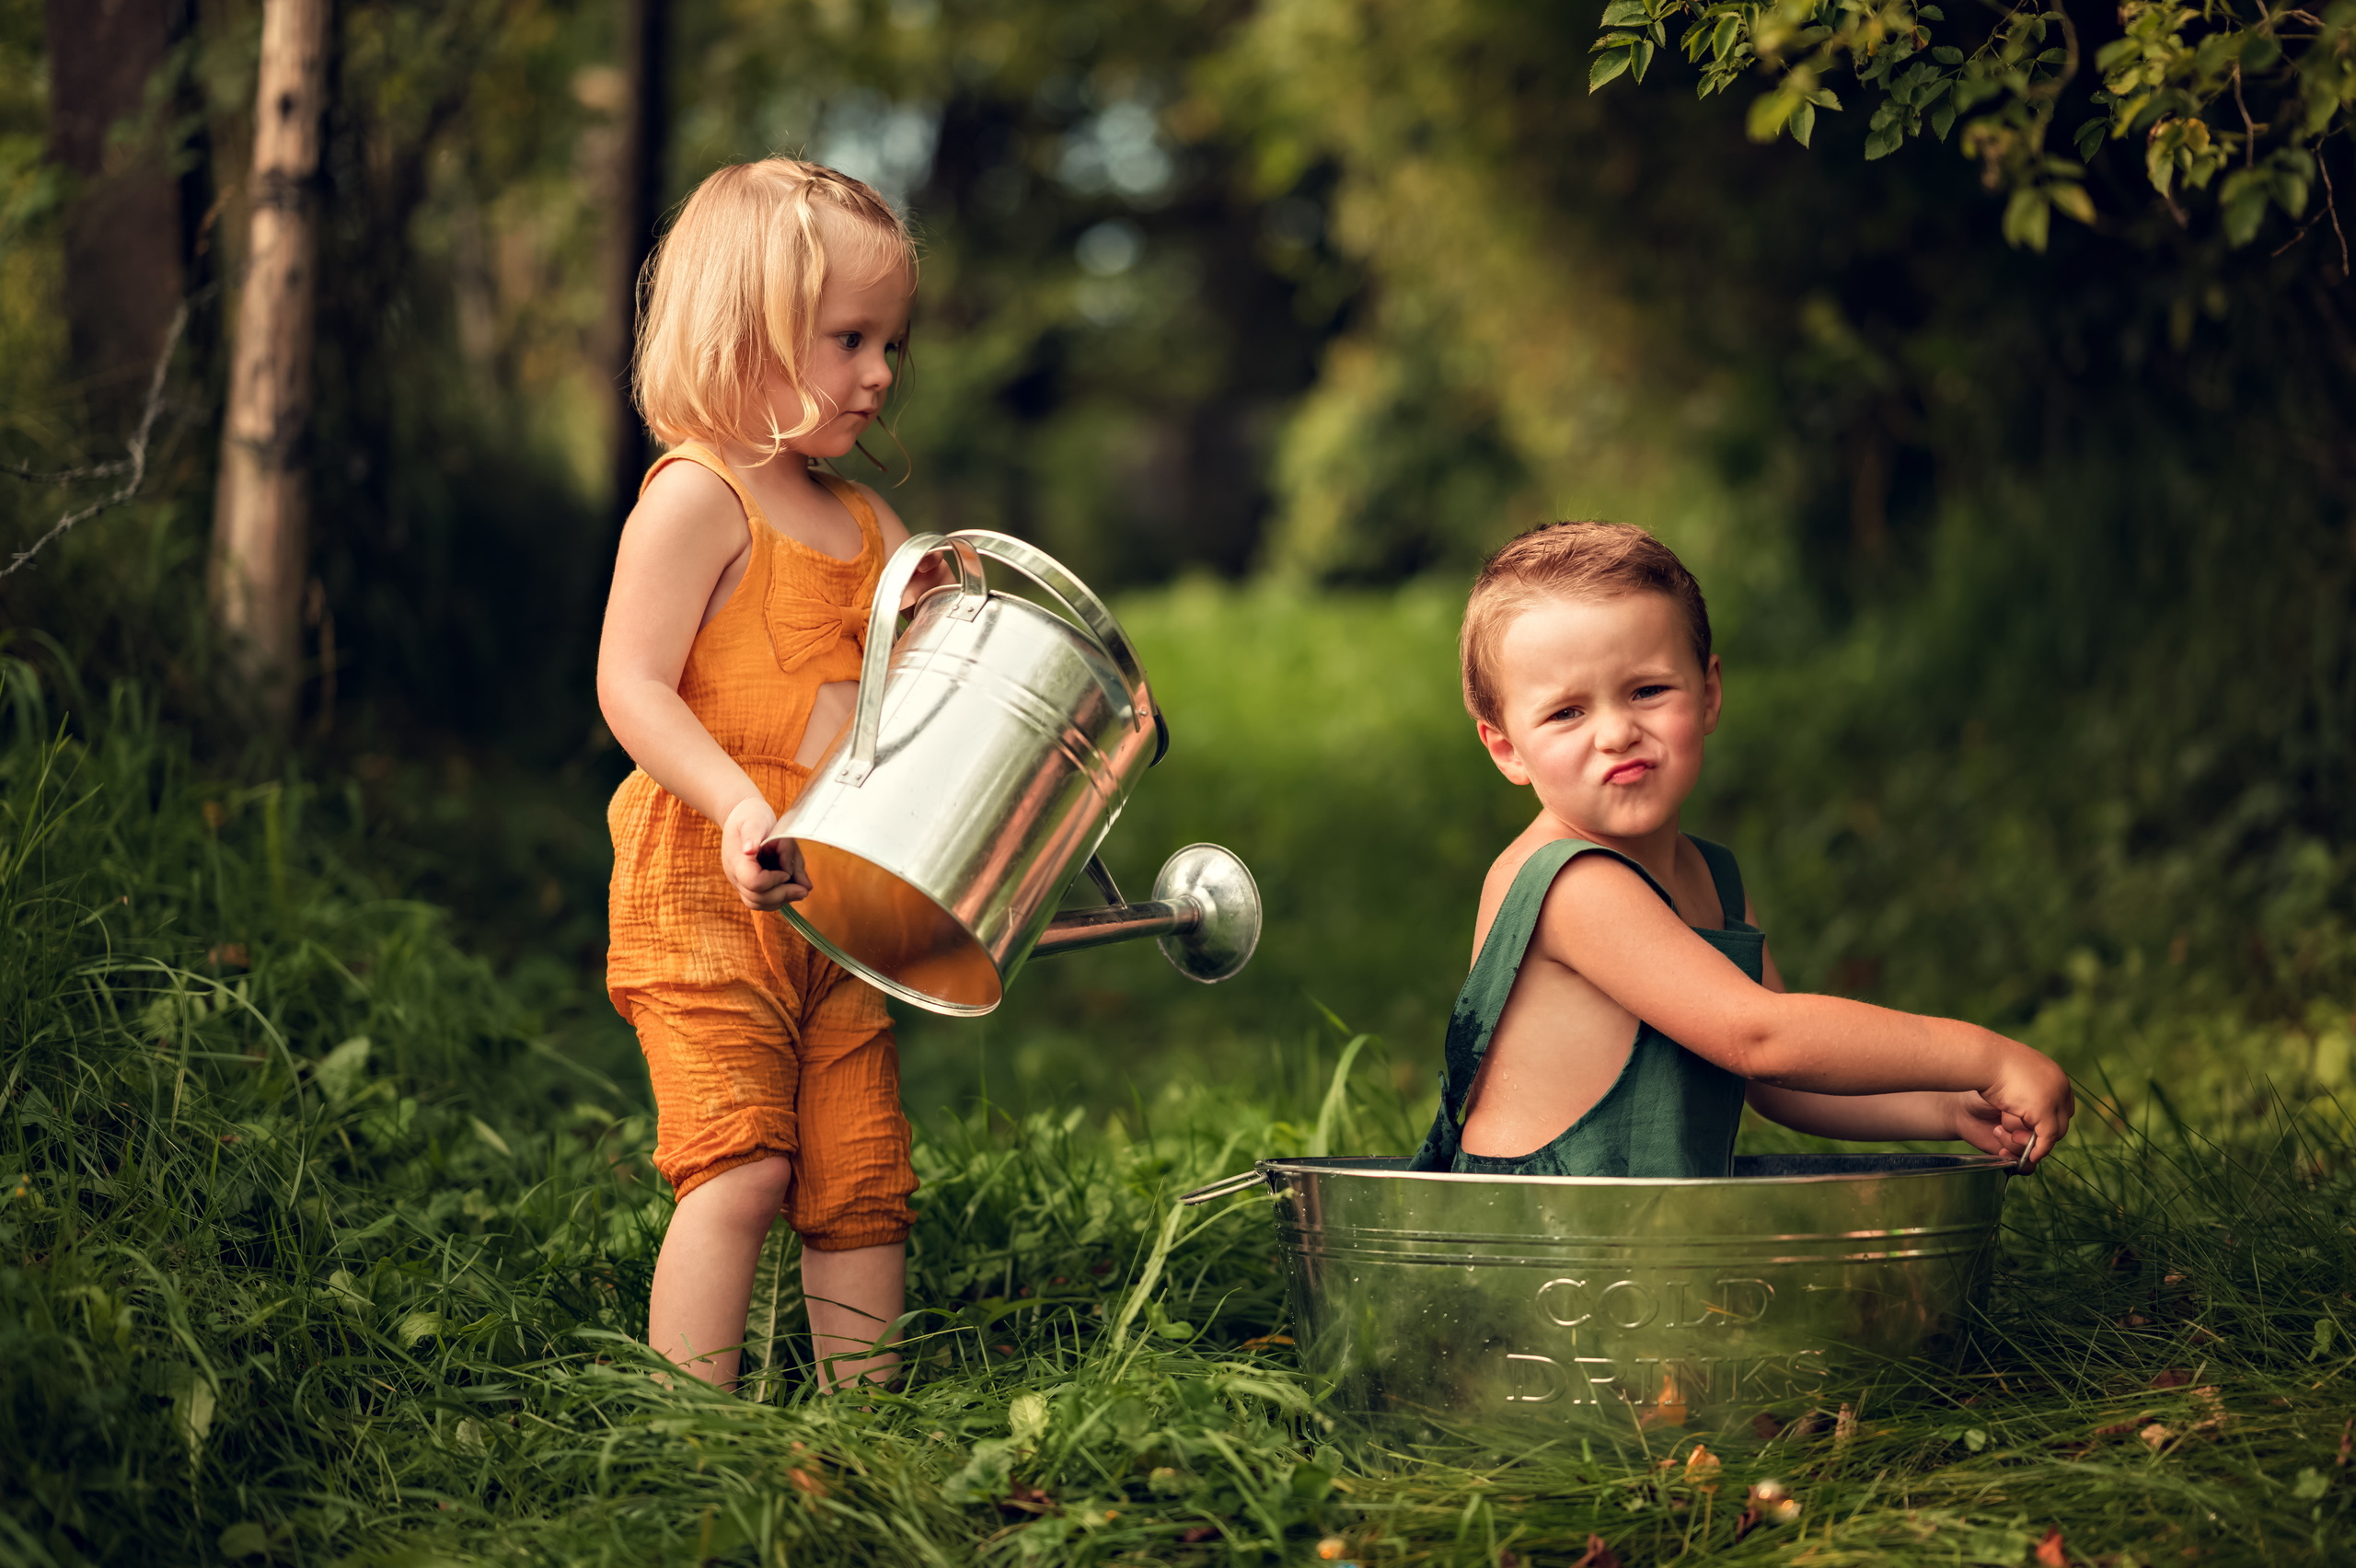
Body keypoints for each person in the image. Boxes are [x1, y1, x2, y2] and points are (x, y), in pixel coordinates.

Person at [1409, 523, 2073, 1179]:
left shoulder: (1709, 875)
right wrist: (1982, 1056)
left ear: (1709, 694)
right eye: (1566, 713)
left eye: (1647, 690)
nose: (1616, 733)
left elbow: (1785, 1082)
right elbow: (1760, 1037)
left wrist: (1948, 1108)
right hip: (1539, 1245)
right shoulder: (1570, 883)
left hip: (1640, 1241)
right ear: (1506, 748)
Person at [597, 159, 935, 1390]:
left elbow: (937, 672)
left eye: (889, 341)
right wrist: (737, 800)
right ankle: (694, 1429)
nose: (881, 372)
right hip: (705, 889)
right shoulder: (698, 499)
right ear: (747, 334)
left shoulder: (869, 528)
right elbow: (632, 682)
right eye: (848, 338)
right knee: (742, 1159)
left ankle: (874, 1425)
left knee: (860, 1174)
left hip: (834, 905)